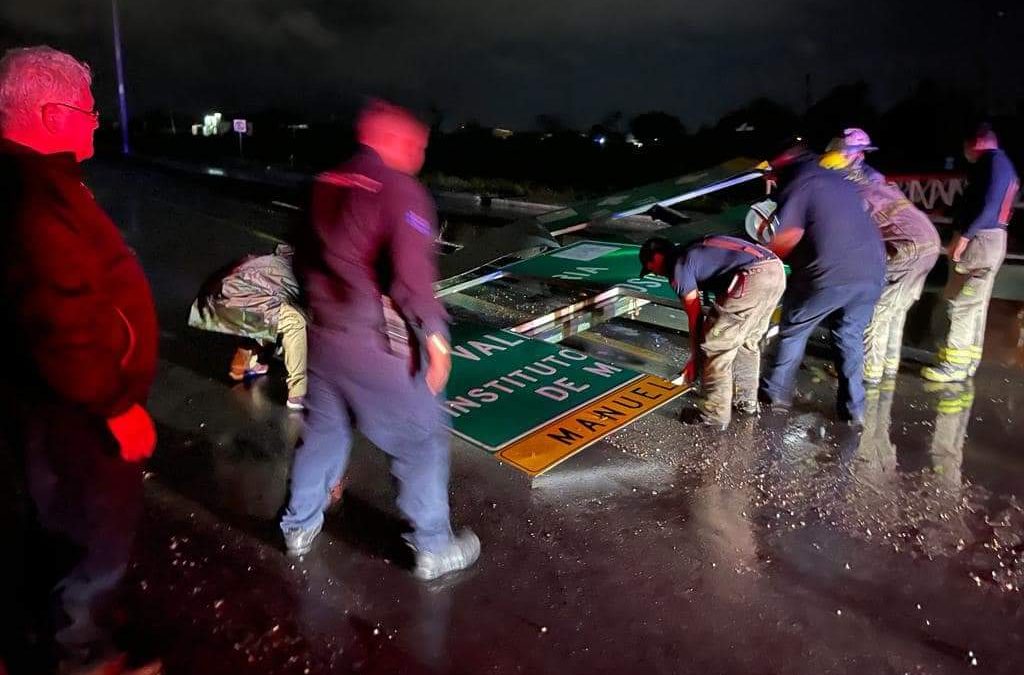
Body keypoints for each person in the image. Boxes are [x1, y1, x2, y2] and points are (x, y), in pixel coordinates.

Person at [0, 47, 161, 675]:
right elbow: (61, 316)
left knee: (56, 524)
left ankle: (68, 628)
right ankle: (84, 655)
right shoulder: (37, 196)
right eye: (87, 111)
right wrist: (116, 406)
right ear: (48, 114)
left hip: (45, 405)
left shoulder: (28, 182)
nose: (97, 122)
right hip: (78, 415)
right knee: (92, 534)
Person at [280, 100, 480, 580]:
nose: (420, 155)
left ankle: (298, 527)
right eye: (418, 146)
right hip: (374, 342)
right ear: (395, 141)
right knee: (421, 438)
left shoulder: (322, 183)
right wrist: (435, 337)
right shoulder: (400, 192)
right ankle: (433, 547)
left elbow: (295, 257)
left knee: (324, 434)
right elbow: (413, 279)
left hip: (324, 338)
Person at [759, 142, 886, 424]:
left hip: (831, 273)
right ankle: (854, 410)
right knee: (849, 337)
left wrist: (760, 257)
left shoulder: (801, 182)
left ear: (783, 169)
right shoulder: (840, 181)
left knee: (794, 328)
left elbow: (787, 237)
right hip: (872, 274)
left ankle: (773, 397)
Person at [822, 129, 941, 384]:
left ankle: (866, 370)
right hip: (927, 240)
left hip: (909, 246)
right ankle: (886, 365)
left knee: (877, 308)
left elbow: (854, 234)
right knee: (896, 308)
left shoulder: (855, 190)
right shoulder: (876, 181)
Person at [639, 235, 785, 428]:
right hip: (774, 269)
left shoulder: (678, 266)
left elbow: (695, 316)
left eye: (651, 268)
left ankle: (714, 415)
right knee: (746, 342)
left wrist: (695, 358)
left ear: (656, 258)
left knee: (717, 345)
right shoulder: (694, 248)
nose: (655, 273)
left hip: (753, 277)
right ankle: (746, 403)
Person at [922, 124, 1019, 382]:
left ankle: (953, 365)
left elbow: (987, 207)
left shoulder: (992, 164)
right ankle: (967, 362)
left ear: (975, 143)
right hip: (992, 240)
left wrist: (963, 237)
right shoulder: (1004, 165)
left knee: (962, 304)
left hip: (981, 242)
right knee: (975, 305)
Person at [188, 243, 307, 409]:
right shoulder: (308, 271)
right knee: (294, 322)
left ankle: (249, 360)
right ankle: (298, 394)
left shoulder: (284, 258)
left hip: (222, 292)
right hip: (236, 297)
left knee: (271, 313)